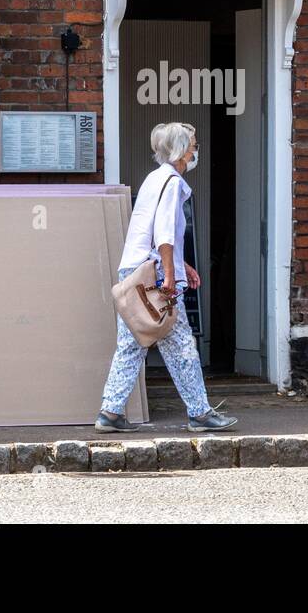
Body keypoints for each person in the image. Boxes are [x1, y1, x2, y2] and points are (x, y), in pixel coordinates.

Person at [96, 121, 238, 433]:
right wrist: (171, 275)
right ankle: (200, 413)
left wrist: (182, 265)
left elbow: (152, 230)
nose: (195, 148)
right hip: (155, 273)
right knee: (182, 344)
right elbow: (164, 232)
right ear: (180, 149)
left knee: (132, 344)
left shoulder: (153, 178)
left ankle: (111, 411)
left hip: (134, 270)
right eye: (192, 143)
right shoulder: (172, 182)